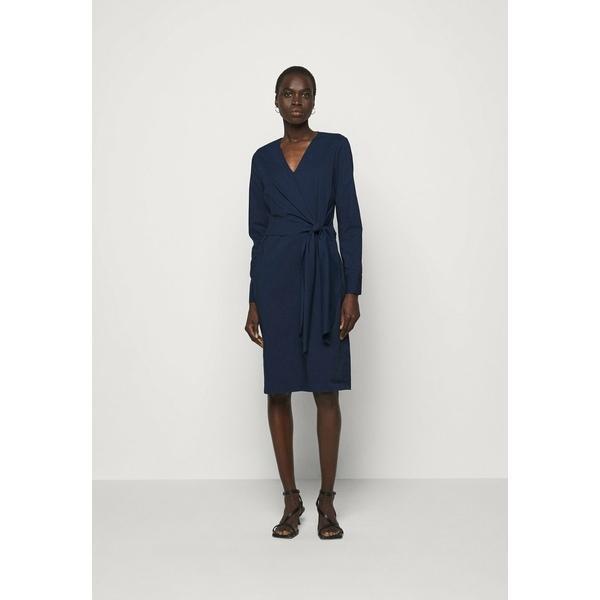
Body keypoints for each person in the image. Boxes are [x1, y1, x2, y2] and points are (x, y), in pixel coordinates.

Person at [244, 66, 363, 539]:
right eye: (289, 93)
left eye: (305, 93)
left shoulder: (335, 148)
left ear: (314, 100)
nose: (297, 100)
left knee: (325, 389)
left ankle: (327, 501)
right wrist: (254, 298)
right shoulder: (261, 159)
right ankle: (290, 499)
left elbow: (349, 221)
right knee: (278, 388)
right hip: (276, 281)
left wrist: (352, 289)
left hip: (324, 277)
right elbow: (258, 233)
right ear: (275, 100)